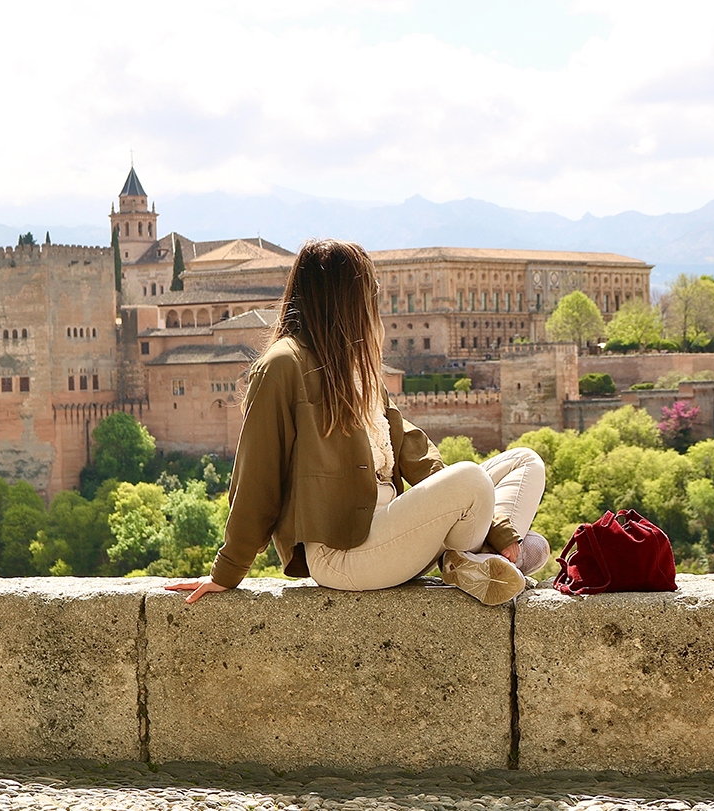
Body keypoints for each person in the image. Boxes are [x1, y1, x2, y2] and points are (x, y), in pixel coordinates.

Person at [166, 238, 548, 606]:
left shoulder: (358, 368)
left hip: (398, 531)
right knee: (473, 482)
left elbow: (418, 456)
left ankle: (471, 562)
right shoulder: (282, 365)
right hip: (347, 552)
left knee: (524, 462)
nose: (374, 305)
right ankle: (478, 558)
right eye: (368, 293)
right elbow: (256, 477)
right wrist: (227, 571)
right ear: (344, 299)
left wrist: (498, 526)